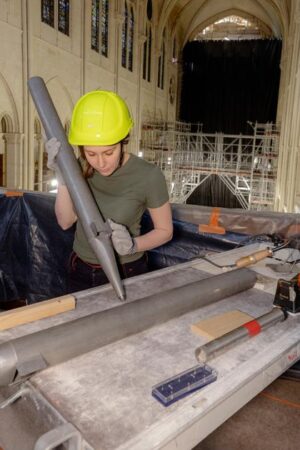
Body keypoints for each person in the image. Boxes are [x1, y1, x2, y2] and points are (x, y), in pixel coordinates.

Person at [45, 90, 173, 293]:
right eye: (91, 153)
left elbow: (165, 231)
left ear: (123, 142)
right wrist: (64, 177)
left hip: (126, 270)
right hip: (80, 269)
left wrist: (133, 245)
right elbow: (65, 221)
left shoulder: (149, 175)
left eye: (109, 152)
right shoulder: (80, 166)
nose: (101, 163)